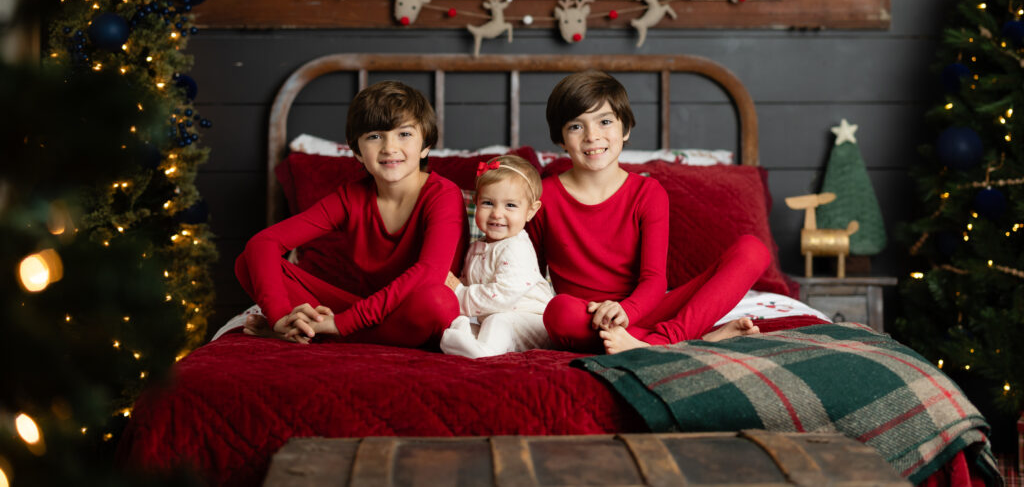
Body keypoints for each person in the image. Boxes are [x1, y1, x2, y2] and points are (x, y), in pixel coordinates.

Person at [527, 69, 770, 355]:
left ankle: (660, 341)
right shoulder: (543, 197)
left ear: (625, 128)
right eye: (576, 127)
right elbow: (529, 278)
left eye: (605, 121)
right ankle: (691, 342)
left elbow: (654, 280)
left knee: (753, 250)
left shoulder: (648, 193)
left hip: (643, 310)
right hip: (585, 318)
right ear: (560, 139)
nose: (592, 136)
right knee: (559, 311)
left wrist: (627, 310)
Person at [235, 80, 468, 347]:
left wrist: (340, 323)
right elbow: (264, 243)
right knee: (248, 262)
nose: (389, 147)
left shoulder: (443, 194)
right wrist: (278, 318)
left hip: (411, 311)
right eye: (374, 136)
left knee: (439, 301)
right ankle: (294, 328)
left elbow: (428, 272)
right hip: (365, 312)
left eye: (404, 134)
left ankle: (325, 334)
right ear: (356, 150)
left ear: (425, 145)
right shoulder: (350, 197)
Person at [440, 154, 553, 358]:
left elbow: (502, 296)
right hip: (494, 317)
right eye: (488, 203)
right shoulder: (477, 247)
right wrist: (457, 290)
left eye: (510, 205)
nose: (497, 214)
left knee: (497, 321)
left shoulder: (516, 247)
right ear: (475, 202)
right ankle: (466, 341)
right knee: (463, 321)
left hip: (533, 321)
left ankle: (483, 352)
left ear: (530, 211)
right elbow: (469, 281)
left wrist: (457, 291)